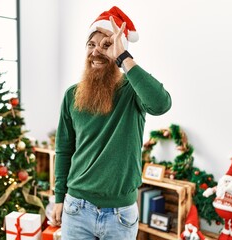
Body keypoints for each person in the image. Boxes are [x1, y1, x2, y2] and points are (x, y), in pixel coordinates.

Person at [51, 6, 172, 240]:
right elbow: (64, 150)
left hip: (120, 215)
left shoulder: (132, 90)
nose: (96, 51)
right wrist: (58, 198)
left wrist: (124, 58)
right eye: (91, 44)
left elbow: (161, 104)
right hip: (76, 209)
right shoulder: (71, 95)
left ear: (118, 50)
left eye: (106, 45)